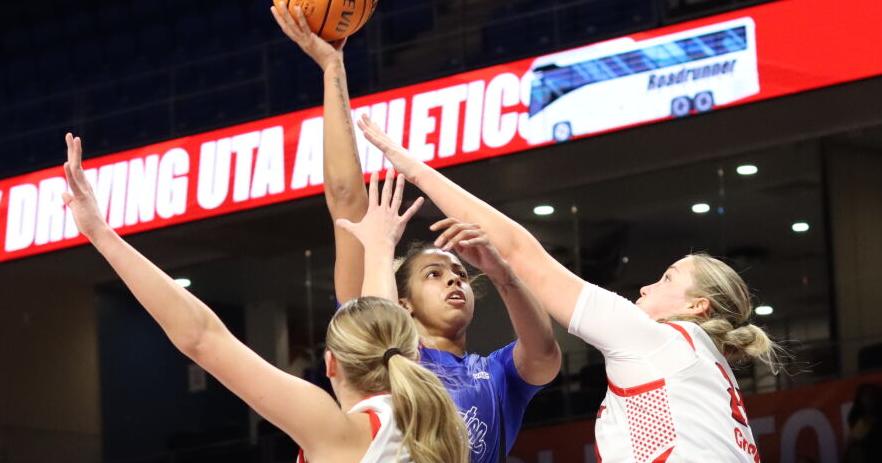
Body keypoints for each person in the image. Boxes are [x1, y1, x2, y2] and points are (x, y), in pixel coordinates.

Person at [356, 114, 785, 462]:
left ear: (697, 306)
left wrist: (412, 168)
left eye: (668, 277)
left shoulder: (655, 340)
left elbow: (523, 254)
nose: (647, 285)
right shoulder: (710, 373)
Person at [60, 133, 467, 463]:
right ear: (413, 351)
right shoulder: (433, 423)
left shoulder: (337, 432)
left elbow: (202, 337)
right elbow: (381, 327)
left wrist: (101, 234)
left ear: (329, 366)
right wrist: (378, 250)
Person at [270, 3, 562, 461]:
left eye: (459, 274)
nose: (455, 279)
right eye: (434, 274)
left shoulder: (495, 374)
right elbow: (346, 198)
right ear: (400, 304)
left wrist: (505, 275)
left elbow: (543, 355)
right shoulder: (381, 351)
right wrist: (333, 69)